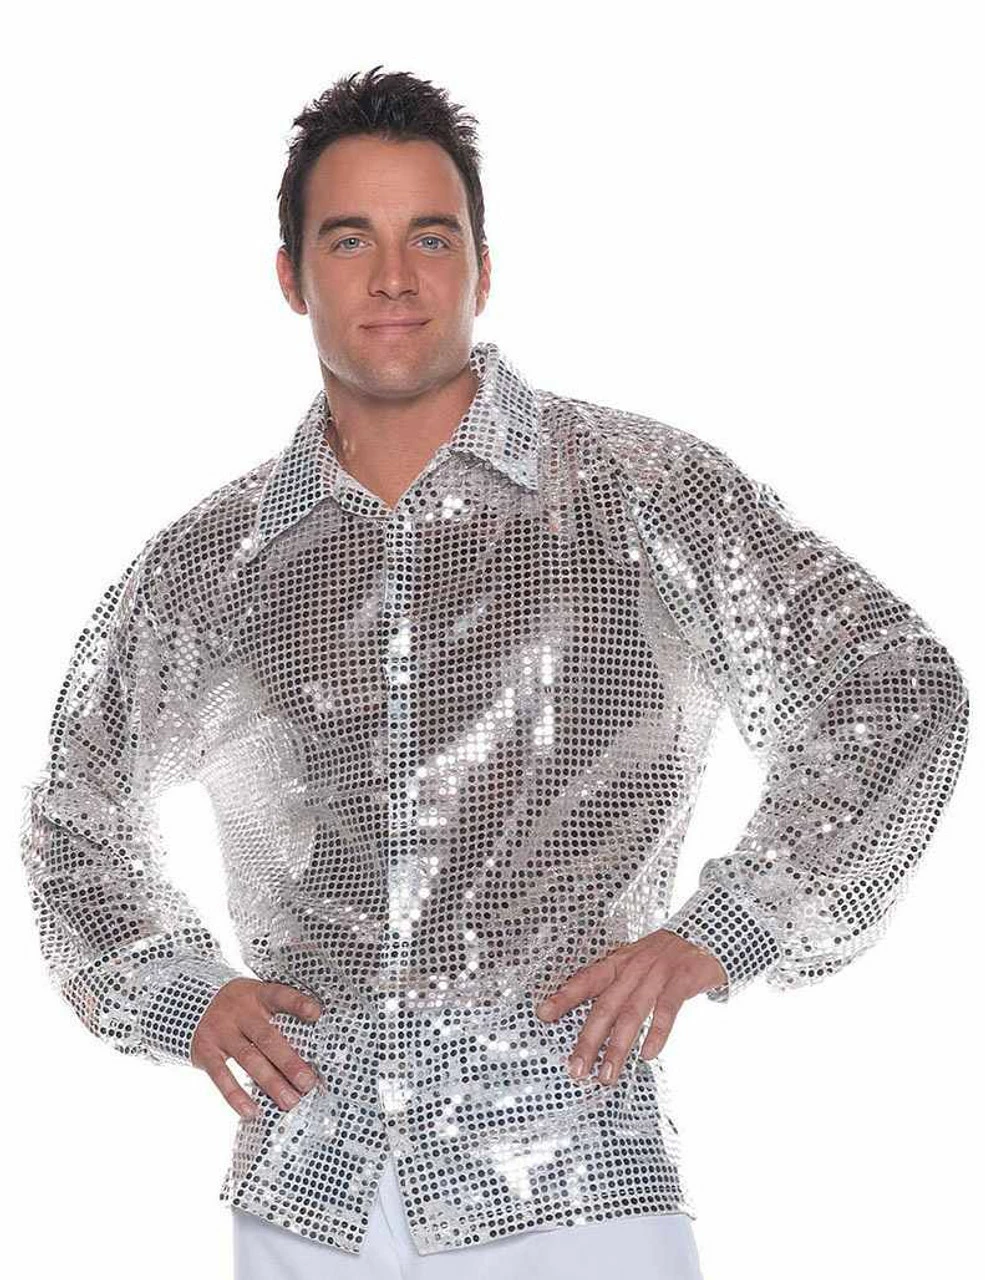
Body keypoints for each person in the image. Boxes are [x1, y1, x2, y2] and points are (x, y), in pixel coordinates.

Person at [20, 64, 969, 1280]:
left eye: (431, 235)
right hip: (311, 1185)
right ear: (291, 275)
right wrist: (178, 990)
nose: (394, 276)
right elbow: (77, 806)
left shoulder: (640, 491)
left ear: (483, 265)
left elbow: (892, 684)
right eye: (350, 238)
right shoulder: (216, 560)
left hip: (568, 1173)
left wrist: (722, 929)